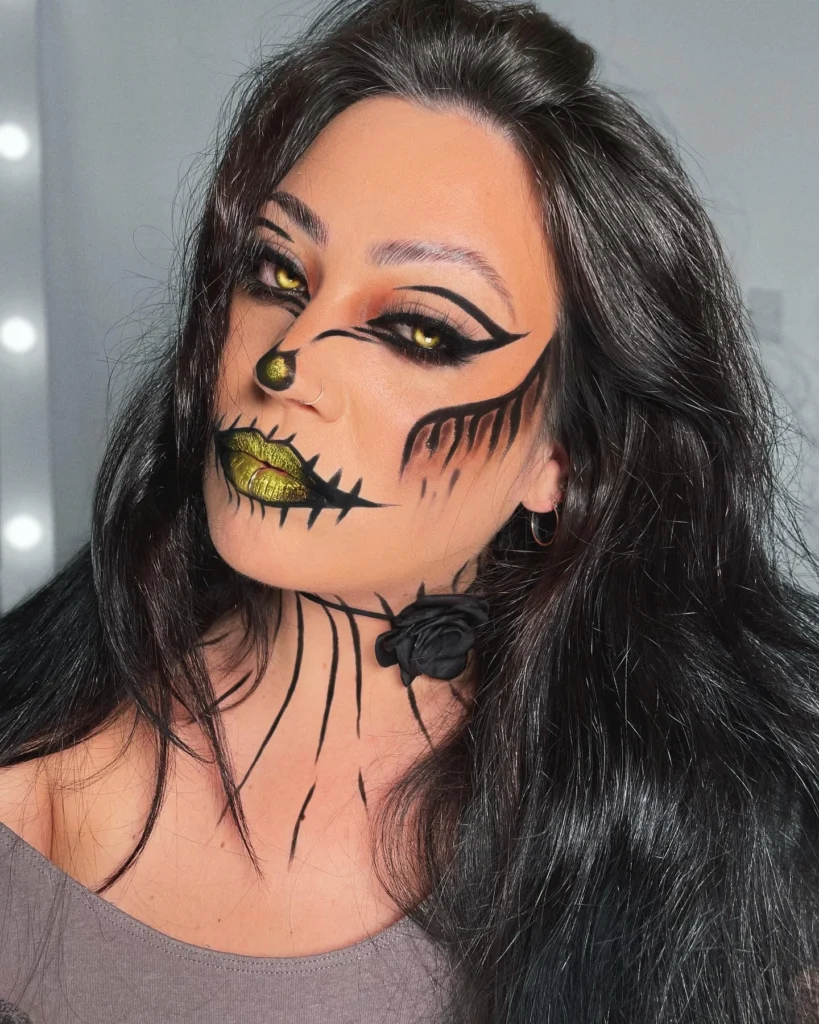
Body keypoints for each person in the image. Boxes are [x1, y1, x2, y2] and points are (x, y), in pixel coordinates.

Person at [2, 0, 819, 1020]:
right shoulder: (31, 806)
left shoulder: (731, 833)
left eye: (421, 331)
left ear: (562, 457)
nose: (285, 360)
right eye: (278, 272)